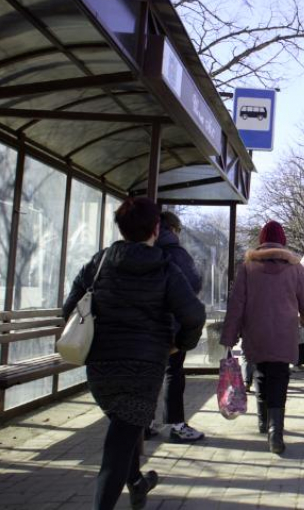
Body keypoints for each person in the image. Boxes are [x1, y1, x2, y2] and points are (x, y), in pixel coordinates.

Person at [62, 197, 205, 510]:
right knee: (118, 444)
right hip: (144, 369)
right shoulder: (165, 268)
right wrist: (180, 344)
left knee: (123, 428)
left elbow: (70, 308)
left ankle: (138, 483)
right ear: (156, 229)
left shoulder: (100, 262)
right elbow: (194, 315)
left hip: (100, 368)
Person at [220, 221, 304, 454]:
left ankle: (263, 423)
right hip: (284, 333)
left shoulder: (248, 267)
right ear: (282, 241)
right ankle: (276, 434)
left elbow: (237, 304)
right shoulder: (295, 268)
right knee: (280, 378)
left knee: (261, 374)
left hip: (255, 333)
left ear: (261, 241)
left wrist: (229, 336)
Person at [157, 211, 205, 444]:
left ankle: (143, 424)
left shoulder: (142, 248)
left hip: (141, 329)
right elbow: (193, 283)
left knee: (148, 374)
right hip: (171, 325)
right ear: (173, 229)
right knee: (173, 372)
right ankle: (176, 425)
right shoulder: (177, 253)